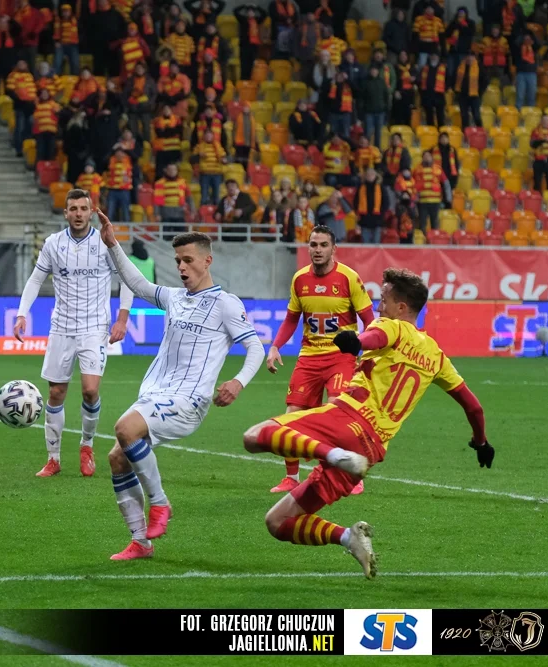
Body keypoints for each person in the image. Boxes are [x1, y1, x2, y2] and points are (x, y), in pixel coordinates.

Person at [243, 268, 492, 579]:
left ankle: (333, 454)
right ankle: (350, 538)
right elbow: (473, 406)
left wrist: (357, 341)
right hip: (370, 450)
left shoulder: (393, 326)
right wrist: (481, 442)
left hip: (347, 420)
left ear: (401, 307)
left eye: (384, 300)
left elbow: (375, 336)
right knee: (277, 522)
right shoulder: (437, 357)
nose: (378, 306)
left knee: (254, 437)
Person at [97, 209, 266, 561]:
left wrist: (238, 381)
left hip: (189, 400)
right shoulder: (174, 298)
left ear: (207, 260)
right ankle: (140, 542)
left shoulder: (225, 304)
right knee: (116, 458)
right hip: (155, 395)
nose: (181, 267)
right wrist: (113, 244)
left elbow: (255, 347)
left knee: (125, 429)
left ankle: (160, 503)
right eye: (177, 261)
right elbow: (138, 285)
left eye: (188, 260)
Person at [13, 190, 134, 478]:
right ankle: (53, 459)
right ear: (65, 213)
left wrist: (122, 319)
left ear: (91, 212)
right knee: (56, 392)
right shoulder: (53, 244)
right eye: (73, 208)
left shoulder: (105, 242)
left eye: (83, 208)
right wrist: (21, 313)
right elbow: (35, 280)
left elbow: (127, 279)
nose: (78, 213)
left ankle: (87, 445)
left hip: (95, 327)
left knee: (90, 391)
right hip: (62, 327)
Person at [264, 225, 374, 493]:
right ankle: (291, 477)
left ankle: (350, 476)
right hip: (309, 358)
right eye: (313, 244)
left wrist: (368, 351)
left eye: (323, 245)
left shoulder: (349, 278)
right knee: (291, 417)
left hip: (341, 357)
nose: (318, 250)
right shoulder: (299, 279)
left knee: (337, 414)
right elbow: (292, 318)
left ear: (334, 249)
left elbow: (369, 320)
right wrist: (275, 346)